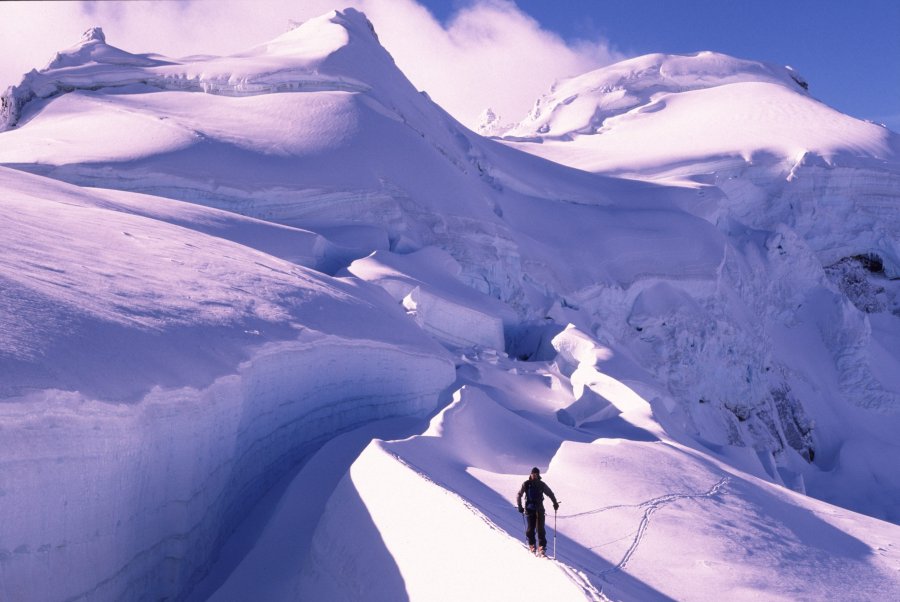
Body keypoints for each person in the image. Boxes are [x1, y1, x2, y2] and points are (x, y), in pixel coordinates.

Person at [516, 467, 559, 556]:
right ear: (530, 474)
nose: (534, 475)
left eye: (536, 474)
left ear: (538, 475)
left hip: (539, 509)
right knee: (530, 529)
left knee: (540, 529)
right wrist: (520, 506)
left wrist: (555, 502)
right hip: (529, 509)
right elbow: (519, 494)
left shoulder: (542, 484)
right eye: (533, 474)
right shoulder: (526, 484)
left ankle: (541, 547)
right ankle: (532, 545)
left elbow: (550, 493)